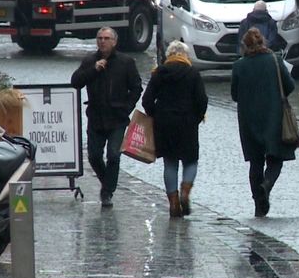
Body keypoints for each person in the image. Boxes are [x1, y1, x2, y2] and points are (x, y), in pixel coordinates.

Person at [71, 27, 143, 208]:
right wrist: (93, 70)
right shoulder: (90, 61)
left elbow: (136, 88)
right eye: (100, 38)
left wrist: (126, 108)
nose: (102, 41)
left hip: (117, 118)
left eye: (106, 38)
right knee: (94, 156)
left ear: (114, 41)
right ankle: (108, 183)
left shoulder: (126, 62)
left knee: (113, 155)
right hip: (96, 117)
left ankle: (107, 192)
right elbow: (76, 82)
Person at [231, 27, 297, 218]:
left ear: (245, 46)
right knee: (275, 159)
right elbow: (290, 86)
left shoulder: (239, 66)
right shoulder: (274, 60)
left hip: (248, 120)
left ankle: (258, 206)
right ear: (262, 42)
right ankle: (266, 185)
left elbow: (234, 95)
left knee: (255, 162)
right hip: (273, 117)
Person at [142, 40, 208, 218]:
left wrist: (156, 115)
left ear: (169, 55)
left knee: (170, 162)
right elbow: (202, 100)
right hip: (187, 122)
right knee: (190, 161)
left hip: (164, 123)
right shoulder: (193, 73)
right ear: (185, 55)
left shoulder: (159, 73)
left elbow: (147, 100)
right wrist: (197, 117)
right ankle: (185, 192)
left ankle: (173, 203)